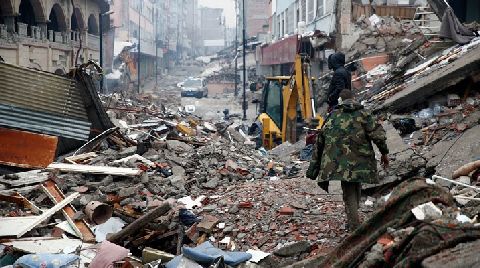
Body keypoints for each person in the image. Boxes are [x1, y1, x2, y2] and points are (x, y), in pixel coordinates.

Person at [306, 89, 389, 231]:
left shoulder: (332, 116)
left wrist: (314, 166)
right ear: (354, 98)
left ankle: (354, 225)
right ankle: (354, 223)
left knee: (349, 190)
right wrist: (384, 153)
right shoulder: (364, 114)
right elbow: (378, 135)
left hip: (337, 162)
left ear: (340, 100)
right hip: (361, 159)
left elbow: (320, 140)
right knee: (355, 186)